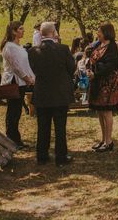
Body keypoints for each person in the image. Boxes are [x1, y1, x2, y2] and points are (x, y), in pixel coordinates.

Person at [28, 22, 76, 166]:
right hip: (60, 92)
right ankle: (61, 156)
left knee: (43, 125)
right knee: (60, 126)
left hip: (42, 92)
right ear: (54, 32)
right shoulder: (63, 49)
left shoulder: (33, 51)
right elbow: (71, 68)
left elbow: (34, 69)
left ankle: (42, 155)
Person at [1, 21, 35, 148]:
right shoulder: (9, 47)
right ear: (14, 31)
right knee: (13, 112)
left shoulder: (18, 46)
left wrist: (32, 77)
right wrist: (27, 78)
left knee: (16, 112)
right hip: (13, 82)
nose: (23, 31)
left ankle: (15, 138)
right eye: (20, 29)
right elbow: (16, 67)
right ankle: (12, 139)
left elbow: (25, 65)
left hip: (21, 82)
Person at [87, 22, 118, 152]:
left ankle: (109, 141)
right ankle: (103, 139)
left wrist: (96, 72)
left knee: (107, 111)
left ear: (106, 32)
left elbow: (111, 65)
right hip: (97, 82)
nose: (97, 34)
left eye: (99, 32)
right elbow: (92, 59)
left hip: (107, 83)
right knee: (100, 111)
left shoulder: (112, 46)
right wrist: (90, 70)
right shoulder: (99, 44)